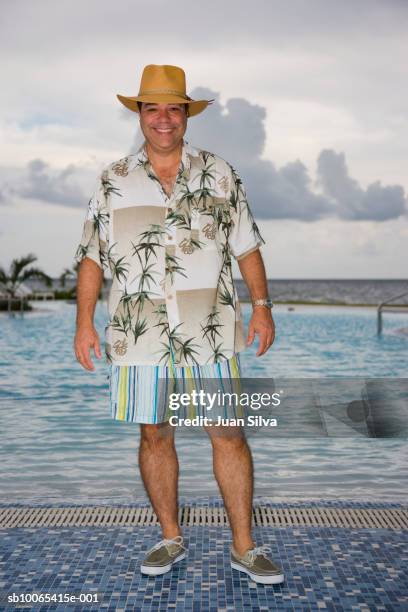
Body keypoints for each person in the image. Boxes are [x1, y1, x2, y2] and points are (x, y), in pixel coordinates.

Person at [73, 64, 284, 585]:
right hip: (138, 334)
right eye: (152, 108)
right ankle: (171, 537)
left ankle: (244, 547)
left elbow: (247, 244)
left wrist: (262, 305)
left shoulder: (220, 173)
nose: (163, 119)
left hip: (208, 333)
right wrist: (84, 323)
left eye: (173, 108)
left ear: (186, 116)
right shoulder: (112, 181)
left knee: (228, 435)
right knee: (153, 435)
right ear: (140, 115)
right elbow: (91, 258)